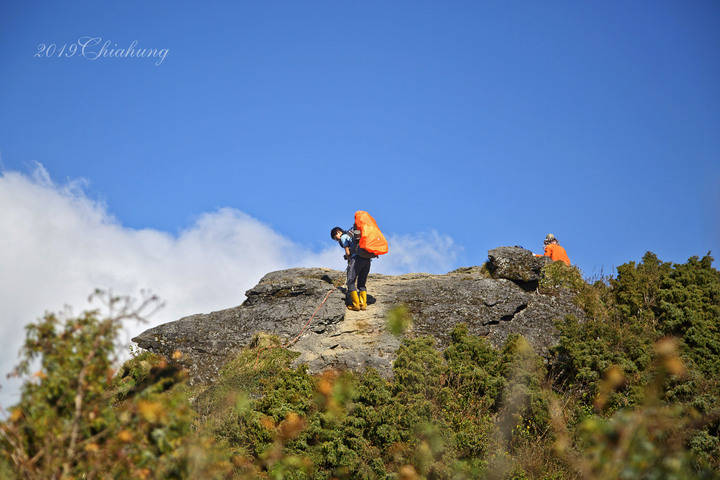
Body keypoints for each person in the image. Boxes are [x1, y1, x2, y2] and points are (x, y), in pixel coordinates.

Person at [331, 226, 371, 311]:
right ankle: (363, 304)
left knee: (350, 282)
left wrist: (348, 258)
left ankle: (356, 305)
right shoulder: (351, 236)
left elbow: (347, 252)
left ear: (338, 232)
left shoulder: (344, 237)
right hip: (367, 259)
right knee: (361, 283)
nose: (336, 240)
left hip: (356, 259)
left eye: (335, 237)